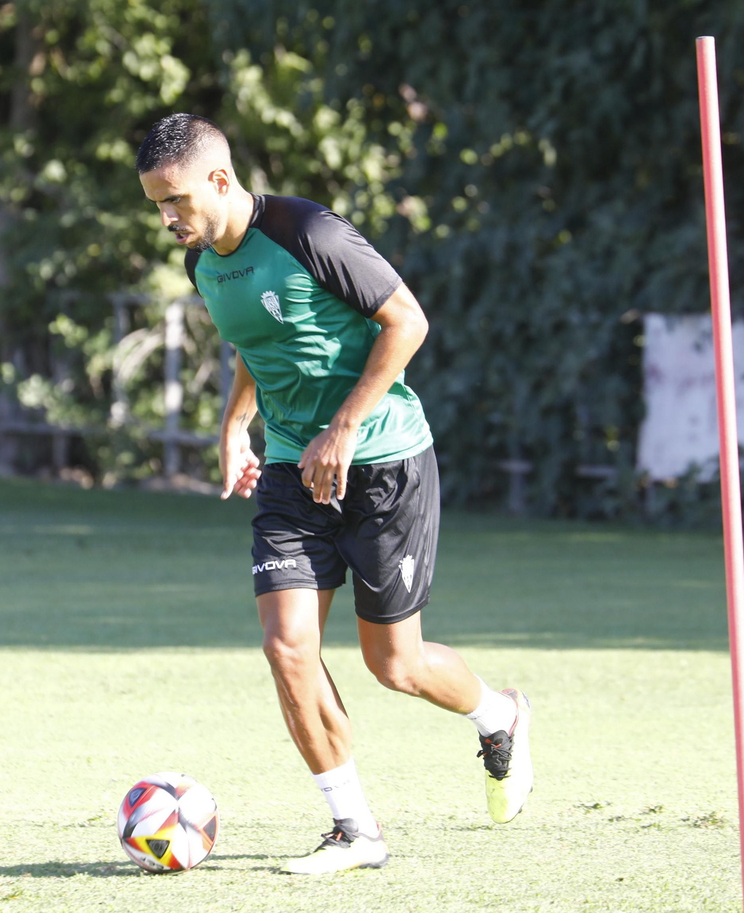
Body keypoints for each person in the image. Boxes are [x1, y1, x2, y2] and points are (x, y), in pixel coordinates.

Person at [136, 113, 533, 874]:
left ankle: (500, 714)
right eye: (156, 205)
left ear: (220, 180)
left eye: (176, 201)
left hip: (384, 462)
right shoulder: (201, 265)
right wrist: (234, 428)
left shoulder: (309, 233)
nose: (167, 220)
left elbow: (406, 321)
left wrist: (345, 427)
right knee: (287, 647)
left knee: (396, 665)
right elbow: (255, 342)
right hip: (292, 472)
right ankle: (355, 830)